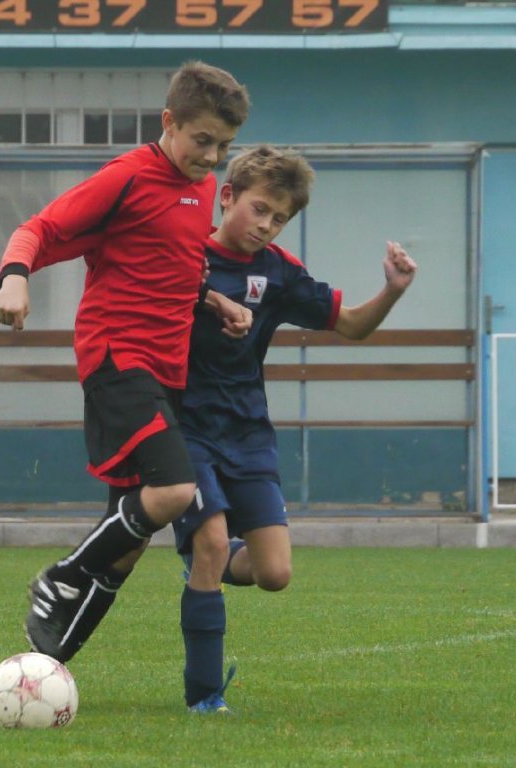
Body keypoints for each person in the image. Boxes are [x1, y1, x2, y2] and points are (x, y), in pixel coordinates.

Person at [0, 61, 251, 662]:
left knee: (130, 539)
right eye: (202, 140)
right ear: (169, 121)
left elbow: (169, 265)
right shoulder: (127, 177)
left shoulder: (201, 187)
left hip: (167, 370)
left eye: (223, 145)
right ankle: (61, 575)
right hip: (118, 358)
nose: (212, 156)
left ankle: (49, 665)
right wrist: (14, 279)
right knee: (174, 490)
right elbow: (38, 228)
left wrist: (214, 301)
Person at [173, 144, 418, 713]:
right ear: (227, 196)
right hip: (185, 427)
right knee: (212, 543)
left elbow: (351, 326)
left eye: (279, 218)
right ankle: (204, 696)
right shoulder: (185, 255)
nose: (266, 225)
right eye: (259, 209)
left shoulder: (279, 271)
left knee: (274, 572)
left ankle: (206, 557)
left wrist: (392, 290)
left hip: (248, 433)